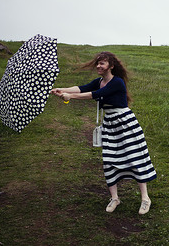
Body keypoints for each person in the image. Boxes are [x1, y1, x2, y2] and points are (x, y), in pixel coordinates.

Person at [51, 51, 156, 214]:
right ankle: (114, 198)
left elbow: (96, 95)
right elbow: (82, 88)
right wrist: (61, 89)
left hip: (125, 123)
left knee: (134, 158)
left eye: (102, 63)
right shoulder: (99, 81)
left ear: (111, 66)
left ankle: (145, 199)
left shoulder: (117, 82)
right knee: (109, 159)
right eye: (98, 63)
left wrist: (70, 96)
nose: (99, 66)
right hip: (110, 124)